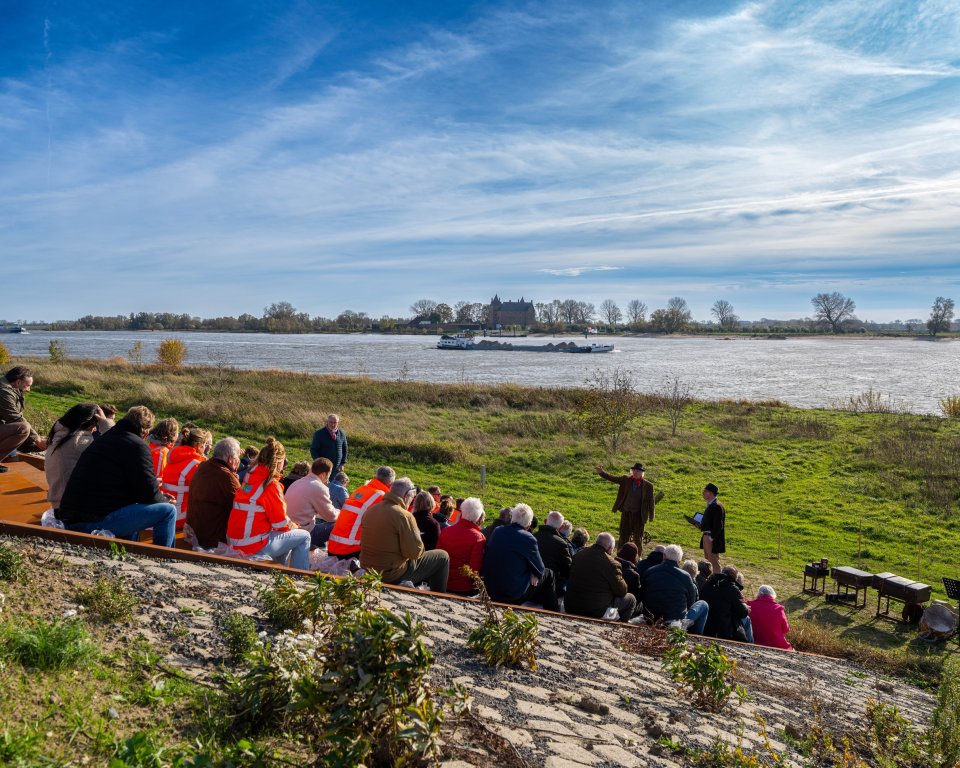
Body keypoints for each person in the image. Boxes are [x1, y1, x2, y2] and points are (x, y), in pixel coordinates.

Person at [57, 406, 177, 547]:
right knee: (168, 511)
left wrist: (157, 496)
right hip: (94, 521)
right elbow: (148, 493)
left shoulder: (103, 440)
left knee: (133, 508)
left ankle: (129, 552)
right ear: (145, 432)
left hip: (71, 517)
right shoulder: (136, 446)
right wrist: (164, 500)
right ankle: (164, 558)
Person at [226, 438, 310, 569]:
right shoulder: (270, 485)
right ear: (278, 463)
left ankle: (280, 571)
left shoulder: (249, 478)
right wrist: (295, 527)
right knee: (304, 536)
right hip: (252, 546)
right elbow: (281, 523)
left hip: (235, 542)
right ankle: (299, 577)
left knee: (287, 536)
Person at [360, 477, 449, 591]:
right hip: (390, 575)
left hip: (367, 569)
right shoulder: (404, 516)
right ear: (407, 495)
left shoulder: (371, 510)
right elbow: (415, 553)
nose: (412, 501)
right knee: (442, 556)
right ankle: (439, 597)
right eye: (412, 497)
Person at [482, 504, 559, 611]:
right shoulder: (528, 538)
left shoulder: (498, 531)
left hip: (490, 589)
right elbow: (540, 569)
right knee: (549, 574)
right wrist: (534, 572)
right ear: (529, 524)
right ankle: (553, 611)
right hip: (511, 595)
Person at [45, 403, 108, 511]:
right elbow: (118, 450)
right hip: (76, 509)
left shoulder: (60, 436)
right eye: (95, 425)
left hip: (60, 503)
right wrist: (106, 425)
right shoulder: (79, 442)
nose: (95, 429)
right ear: (89, 423)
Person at [185, 437, 242, 551]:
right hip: (213, 540)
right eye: (238, 458)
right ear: (231, 459)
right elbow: (240, 507)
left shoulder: (203, 466)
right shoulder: (227, 477)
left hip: (195, 531)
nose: (239, 461)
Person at [327, 465, 395, 559]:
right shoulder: (381, 497)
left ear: (376, 477)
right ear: (390, 484)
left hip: (332, 547)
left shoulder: (361, 489)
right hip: (349, 550)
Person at [566, 533, 637, 622]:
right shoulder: (612, 563)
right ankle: (619, 628)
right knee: (631, 599)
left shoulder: (579, 555)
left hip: (570, 606)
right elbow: (622, 591)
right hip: (596, 611)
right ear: (610, 548)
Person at [640, 544, 709, 634]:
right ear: (679, 560)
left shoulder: (650, 571)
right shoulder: (685, 576)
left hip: (650, 618)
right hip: (675, 621)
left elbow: (642, 594)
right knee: (703, 604)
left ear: (664, 556)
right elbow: (691, 602)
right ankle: (696, 637)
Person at [594, 462, 655, 551]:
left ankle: (637, 557)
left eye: (637, 471)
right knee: (623, 536)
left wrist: (651, 516)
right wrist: (601, 473)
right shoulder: (626, 480)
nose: (635, 472)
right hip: (626, 513)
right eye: (634, 470)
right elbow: (612, 478)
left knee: (638, 539)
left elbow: (651, 501)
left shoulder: (648, 486)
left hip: (639, 516)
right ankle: (620, 554)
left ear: (642, 473)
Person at [161, 426, 211, 529]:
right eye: (204, 445)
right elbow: (207, 492)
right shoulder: (195, 464)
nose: (205, 449)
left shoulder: (174, 457)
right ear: (197, 445)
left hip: (165, 510)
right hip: (180, 517)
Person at [284, 457, 339, 549]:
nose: (328, 480)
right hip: (302, 531)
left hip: (288, 527)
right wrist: (340, 512)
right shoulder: (319, 487)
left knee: (319, 521)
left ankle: (318, 547)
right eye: (329, 475)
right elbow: (331, 516)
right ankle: (333, 552)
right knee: (337, 523)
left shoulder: (298, 482)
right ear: (323, 475)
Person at [0, 366, 48, 471]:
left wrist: (35, 438)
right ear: (18, 382)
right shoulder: (3, 392)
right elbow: (15, 418)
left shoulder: (9, 388)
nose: (29, 390)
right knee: (23, 428)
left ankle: (24, 446)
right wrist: (37, 440)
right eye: (27, 386)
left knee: (24, 430)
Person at [438, 498, 486, 595]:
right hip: (463, 587)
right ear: (479, 517)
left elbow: (437, 555)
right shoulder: (478, 538)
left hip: (442, 581)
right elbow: (474, 569)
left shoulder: (446, 531)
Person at [701, 566, 751, 642]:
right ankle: (750, 644)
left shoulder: (708, 584)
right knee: (746, 619)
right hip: (723, 631)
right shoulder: (732, 589)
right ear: (734, 578)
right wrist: (746, 607)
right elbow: (742, 613)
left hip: (705, 626)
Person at [534, 511, 573, 596]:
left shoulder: (533, 537)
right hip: (549, 589)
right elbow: (567, 570)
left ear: (545, 521)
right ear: (561, 527)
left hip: (529, 585)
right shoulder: (561, 544)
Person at [748, 585, 794, 651]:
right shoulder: (778, 609)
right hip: (777, 646)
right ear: (772, 596)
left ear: (758, 594)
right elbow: (785, 629)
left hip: (755, 642)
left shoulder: (750, 605)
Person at [698, 482, 726, 574]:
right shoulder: (711, 504)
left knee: (714, 561)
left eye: (705, 491)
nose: (703, 493)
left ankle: (717, 579)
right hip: (707, 536)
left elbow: (719, 525)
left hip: (711, 538)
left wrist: (711, 537)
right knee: (708, 560)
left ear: (710, 493)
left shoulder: (717, 506)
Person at [310, 414, 348, 478]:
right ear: (327, 422)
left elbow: (345, 449)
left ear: (338, 423)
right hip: (323, 468)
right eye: (330, 422)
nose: (332, 424)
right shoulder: (319, 434)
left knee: (333, 486)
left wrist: (342, 463)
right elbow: (314, 449)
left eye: (335, 422)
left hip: (337, 468)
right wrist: (319, 463)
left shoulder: (342, 433)